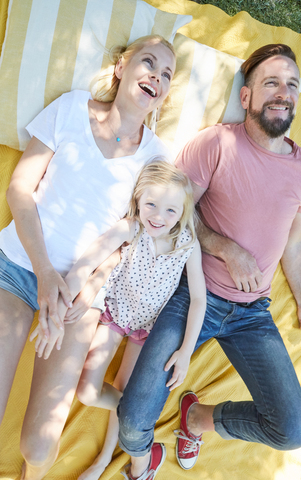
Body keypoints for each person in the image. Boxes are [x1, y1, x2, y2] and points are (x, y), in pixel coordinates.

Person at [116, 44, 301, 480]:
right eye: (271, 83)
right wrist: (229, 249)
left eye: (291, 84)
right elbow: (174, 218)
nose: (283, 93)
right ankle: (143, 462)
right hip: (191, 296)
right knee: (131, 426)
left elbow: (294, 241)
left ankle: (196, 420)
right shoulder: (217, 142)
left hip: (252, 315)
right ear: (245, 97)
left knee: (292, 430)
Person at [0, 34, 176, 480]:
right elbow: (20, 191)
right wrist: (44, 274)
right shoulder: (72, 107)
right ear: (120, 67)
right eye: (148, 62)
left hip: (82, 298)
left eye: (167, 74)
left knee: (39, 447)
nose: (157, 75)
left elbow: (131, 241)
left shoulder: (157, 158)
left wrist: (89, 284)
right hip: (19, 269)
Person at [31, 160, 206, 480]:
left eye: (171, 210)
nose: (158, 216)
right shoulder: (131, 228)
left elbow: (198, 300)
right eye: (151, 204)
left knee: (126, 383)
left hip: (146, 329)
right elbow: (88, 260)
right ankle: (132, 413)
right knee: (87, 391)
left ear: (182, 212)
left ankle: (101, 461)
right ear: (138, 200)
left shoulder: (187, 246)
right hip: (114, 315)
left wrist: (185, 351)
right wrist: (59, 306)